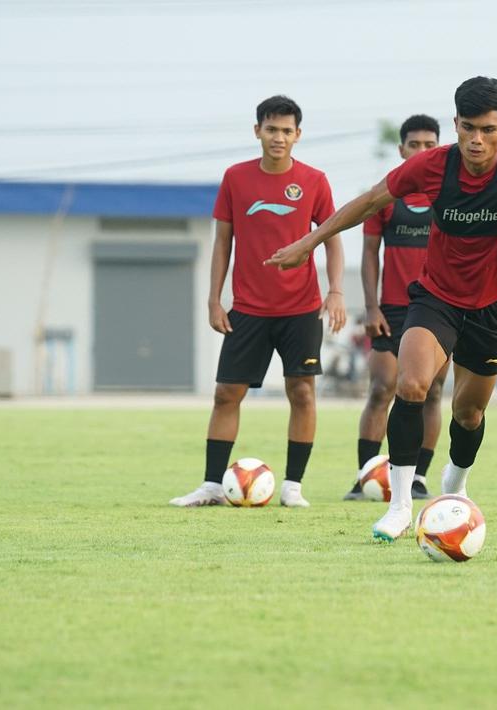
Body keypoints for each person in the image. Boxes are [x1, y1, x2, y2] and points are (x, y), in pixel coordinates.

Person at [265, 77, 497, 539]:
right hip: (436, 298)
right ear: (455, 124)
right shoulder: (434, 166)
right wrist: (309, 241)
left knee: (468, 414)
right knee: (411, 385)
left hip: (493, 307)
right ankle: (399, 507)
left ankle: (454, 487)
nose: (478, 140)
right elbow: (369, 201)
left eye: (489, 130)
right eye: (469, 128)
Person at [170, 95, 347, 509]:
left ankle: (293, 487)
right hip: (247, 308)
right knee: (226, 394)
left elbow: (333, 239)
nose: (279, 138)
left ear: (298, 135)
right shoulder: (235, 178)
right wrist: (215, 300)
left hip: (301, 308)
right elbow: (222, 243)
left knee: (301, 392)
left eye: (287, 131)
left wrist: (336, 290)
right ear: (257, 132)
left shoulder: (315, 180)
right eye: (271, 129)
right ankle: (212, 485)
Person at [344, 114, 447, 502]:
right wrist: (371, 307)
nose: (422, 151)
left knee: (433, 392)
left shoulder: (447, 195)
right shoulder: (387, 194)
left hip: (438, 309)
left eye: (429, 145)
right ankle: (365, 475)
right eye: (414, 144)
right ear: (401, 149)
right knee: (382, 388)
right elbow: (370, 254)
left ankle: (418, 478)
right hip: (392, 309)